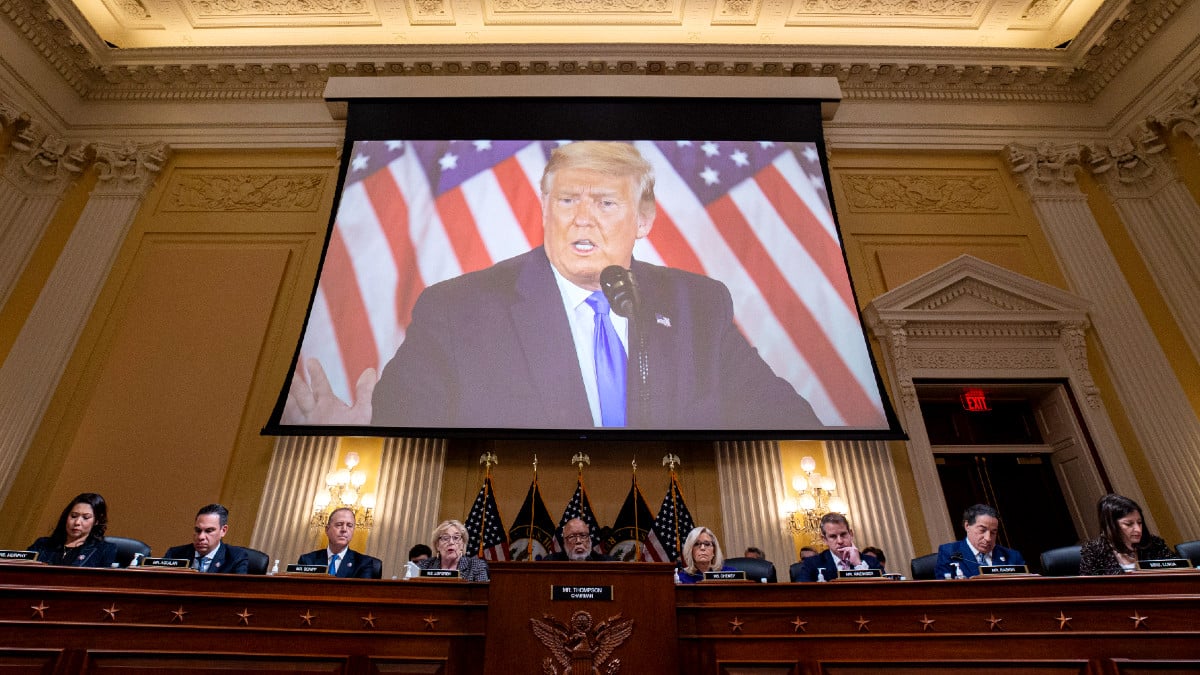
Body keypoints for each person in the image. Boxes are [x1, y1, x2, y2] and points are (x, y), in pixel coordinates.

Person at [289, 141, 822, 430]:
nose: (581, 220)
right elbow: (405, 423)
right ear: (545, 209)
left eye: (606, 203)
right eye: (568, 200)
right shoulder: (457, 308)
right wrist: (358, 435)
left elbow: (788, 419)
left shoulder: (696, 305)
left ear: (644, 219)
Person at [1080, 493, 1176, 575]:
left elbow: (1179, 572)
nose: (1138, 529)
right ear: (1111, 525)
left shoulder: (1154, 544)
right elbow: (1088, 590)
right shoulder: (1094, 551)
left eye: (1139, 522)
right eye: (1129, 524)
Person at [934, 504, 1026, 579]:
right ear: (967, 526)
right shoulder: (949, 552)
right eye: (982, 530)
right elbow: (945, 591)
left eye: (993, 532)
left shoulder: (1012, 557)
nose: (988, 538)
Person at [27, 493, 118, 568]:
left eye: (86, 518)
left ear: (96, 521)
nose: (77, 522)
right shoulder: (42, 544)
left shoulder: (104, 550)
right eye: (73, 516)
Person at [791, 513, 882, 582]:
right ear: (824, 539)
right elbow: (801, 596)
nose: (840, 541)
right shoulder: (812, 564)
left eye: (843, 534)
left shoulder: (871, 562)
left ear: (851, 534)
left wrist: (858, 565)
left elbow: (882, 592)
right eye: (833, 536)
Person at [297, 507, 382, 578]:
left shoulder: (364, 563)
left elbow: (360, 594)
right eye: (339, 524)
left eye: (349, 525)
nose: (344, 529)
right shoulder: (307, 560)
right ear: (327, 530)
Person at [163, 504, 249, 574]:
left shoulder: (236, 558)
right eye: (198, 530)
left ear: (223, 531)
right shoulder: (174, 555)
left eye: (209, 531)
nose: (201, 537)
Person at [416, 519, 489, 581]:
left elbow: (481, 595)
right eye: (445, 538)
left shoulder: (476, 566)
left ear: (463, 544)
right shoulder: (423, 566)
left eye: (456, 538)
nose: (451, 542)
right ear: (437, 545)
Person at [546, 518, 612, 561]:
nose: (578, 541)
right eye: (572, 536)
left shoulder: (607, 562)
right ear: (564, 540)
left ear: (589, 539)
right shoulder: (550, 562)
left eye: (583, 536)